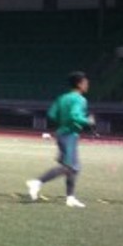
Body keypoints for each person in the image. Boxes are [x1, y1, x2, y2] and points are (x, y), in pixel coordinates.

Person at [27, 72, 95, 208]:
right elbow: (74, 115)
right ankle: (37, 182)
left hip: (62, 133)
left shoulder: (62, 97)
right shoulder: (80, 99)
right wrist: (87, 121)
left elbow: (52, 114)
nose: (87, 85)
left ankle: (70, 197)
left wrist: (63, 122)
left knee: (74, 168)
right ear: (79, 84)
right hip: (69, 135)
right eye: (85, 83)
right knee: (69, 167)